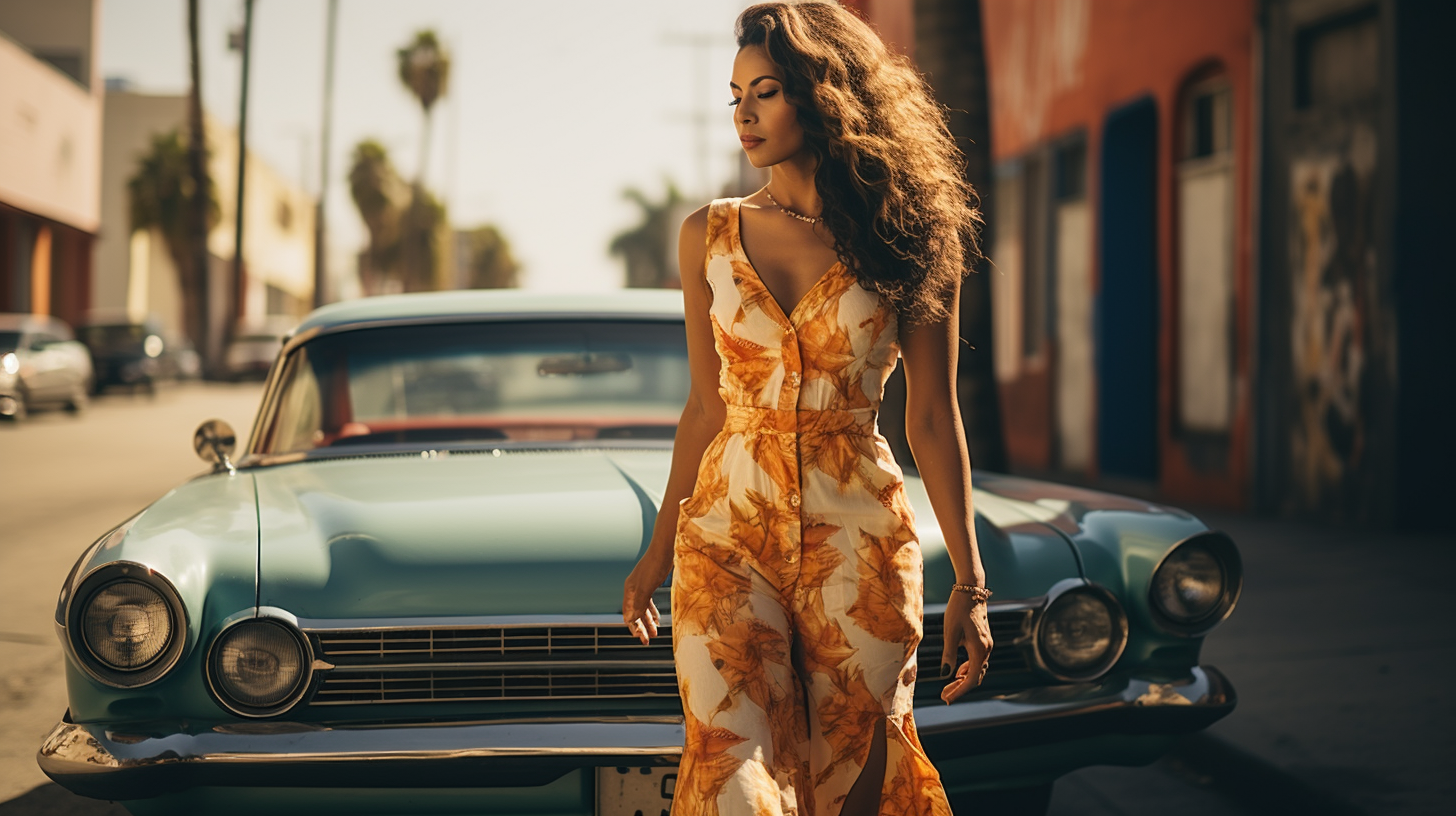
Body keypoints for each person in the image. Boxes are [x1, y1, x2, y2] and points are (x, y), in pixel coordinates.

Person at [622, 3, 990, 813]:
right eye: (734, 96)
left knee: (853, 783)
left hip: (859, 538)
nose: (744, 114)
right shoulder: (707, 237)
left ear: (826, 94)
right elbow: (705, 408)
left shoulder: (913, 238)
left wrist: (971, 581)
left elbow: (931, 418)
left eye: (766, 91)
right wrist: (657, 551)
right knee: (732, 776)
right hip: (726, 537)